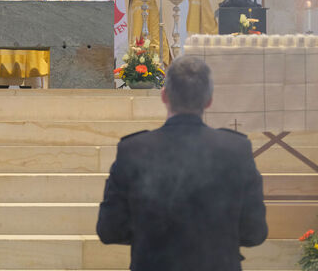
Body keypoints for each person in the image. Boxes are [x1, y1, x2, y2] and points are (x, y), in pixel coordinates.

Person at [96, 56, 268, 271]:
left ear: (164, 95)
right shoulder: (235, 149)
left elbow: (110, 230)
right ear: (209, 100)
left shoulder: (133, 149)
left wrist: (150, 234)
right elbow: (254, 232)